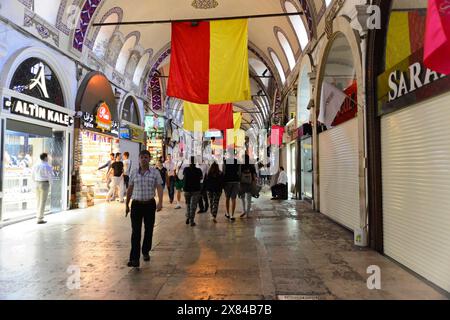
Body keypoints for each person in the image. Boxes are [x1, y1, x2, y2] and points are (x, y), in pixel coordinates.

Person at [125, 150, 164, 268]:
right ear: (139, 159)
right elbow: (130, 189)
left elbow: (159, 187)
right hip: (136, 205)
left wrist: (160, 202)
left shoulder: (154, 172)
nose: (143, 159)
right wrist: (127, 204)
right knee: (136, 231)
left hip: (149, 204)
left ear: (149, 159)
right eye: (141, 157)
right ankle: (134, 259)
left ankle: (145, 250)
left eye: (146, 157)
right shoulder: (133, 173)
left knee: (149, 230)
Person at [32, 153, 53, 224]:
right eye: (47, 157)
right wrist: (51, 184)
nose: (48, 158)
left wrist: (34, 181)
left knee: (38, 200)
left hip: (37, 183)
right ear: (45, 158)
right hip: (44, 184)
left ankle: (37, 215)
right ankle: (40, 218)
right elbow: (50, 177)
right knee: (43, 201)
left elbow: (32, 175)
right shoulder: (48, 166)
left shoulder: (36, 165)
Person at [183, 157, 203, 227]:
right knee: (193, 206)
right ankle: (191, 221)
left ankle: (188, 217)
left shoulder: (186, 169)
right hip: (196, 190)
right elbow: (201, 178)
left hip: (187, 190)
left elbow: (183, 176)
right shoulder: (198, 170)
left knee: (188, 204)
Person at [223, 154, 241, 222]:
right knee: (233, 198)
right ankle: (232, 215)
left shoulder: (225, 161)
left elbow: (224, 172)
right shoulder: (238, 162)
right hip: (235, 181)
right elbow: (239, 173)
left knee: (227, 198)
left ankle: (227, 213)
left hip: (227, 181)